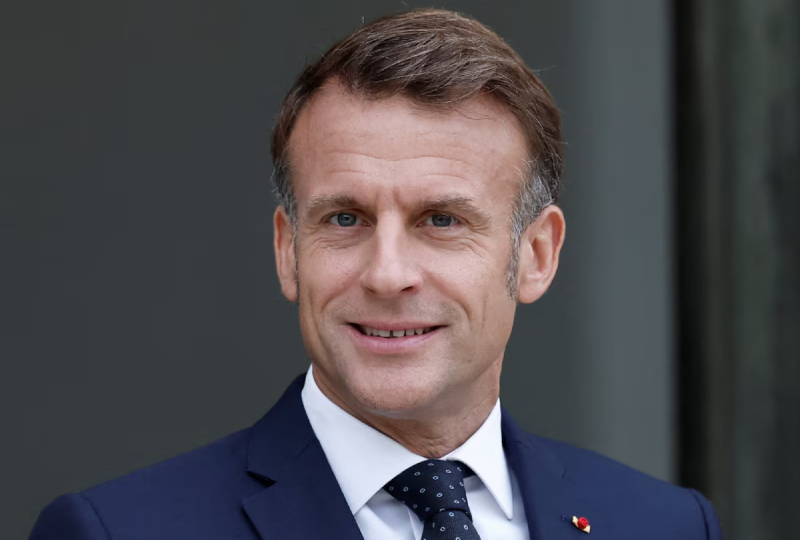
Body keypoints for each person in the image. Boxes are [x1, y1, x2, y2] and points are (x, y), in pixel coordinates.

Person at [30, 8, 723, 540]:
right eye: (345, 219)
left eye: (441, 220)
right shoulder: (120, 531)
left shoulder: (664, 525)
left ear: (536, 255)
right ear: (287, 250)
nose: (388, 275)